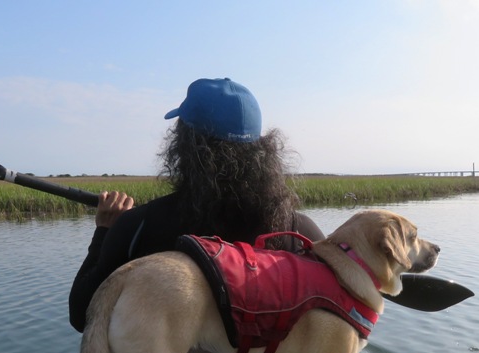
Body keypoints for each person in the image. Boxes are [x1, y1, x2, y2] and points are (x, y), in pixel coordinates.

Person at [69, 77, 324, 333]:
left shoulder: (138, 227)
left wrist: (104, 231)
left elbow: (82, 316)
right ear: (263, 150)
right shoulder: (300, 234)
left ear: (183, 145)